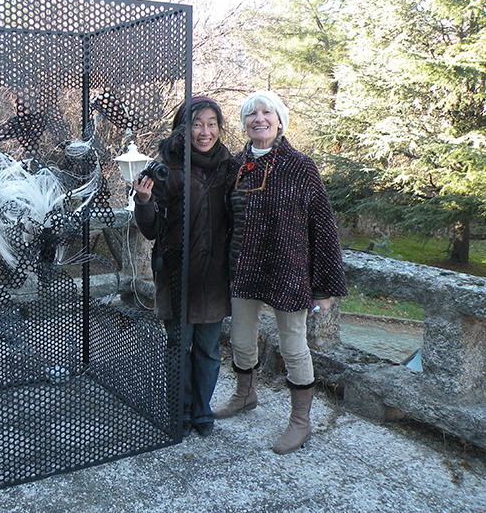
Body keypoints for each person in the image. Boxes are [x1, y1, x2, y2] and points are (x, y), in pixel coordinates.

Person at [214, 90, 347, 454]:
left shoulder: (301, 166)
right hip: (243, 269)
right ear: (244, 123)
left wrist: (323, 287)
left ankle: (300, 421)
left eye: (266, 113)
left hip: (287, 272)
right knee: (240, 340)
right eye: (251, 114)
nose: (259, 119)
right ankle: (245, 395)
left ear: (279, 120)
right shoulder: (235, 165)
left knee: (293, 346)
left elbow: (323, 226)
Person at [133, 97, 232, 438]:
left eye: (211, 124)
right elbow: (150, 230)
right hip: (178, 274)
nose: (205, 132)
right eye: (196, 124)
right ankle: (180, 409)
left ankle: (202, 411)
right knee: (179, 346)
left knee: (208, 349)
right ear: (182, 128)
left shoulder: (229, 167)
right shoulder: (168, 170)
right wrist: (144, 201)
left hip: (215, 276)